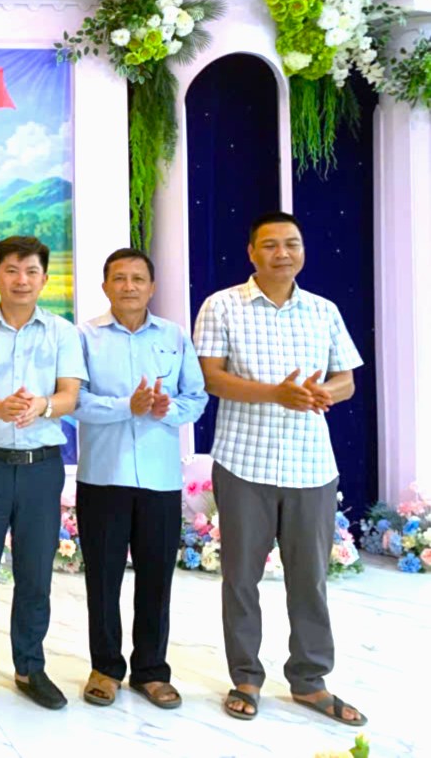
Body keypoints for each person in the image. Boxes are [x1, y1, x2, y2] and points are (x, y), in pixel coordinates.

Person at [194, 211, 366, 726]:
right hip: (244, 462)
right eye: (270, 245)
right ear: (251, 252)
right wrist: (276, 394)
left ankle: (310, 680)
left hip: (311, 466)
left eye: (292, 243)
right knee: (240, 578)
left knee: (310, 579)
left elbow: (346, 380)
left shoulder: (323, 310)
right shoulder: (222, 305)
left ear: (303, 251)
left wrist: (323, 392)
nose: (282, 253)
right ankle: (246, 677)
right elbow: (212, 378)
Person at [0, 235, 86, 712]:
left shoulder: (62, 332)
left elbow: (70, 395)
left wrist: (42, 406)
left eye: (31, 271)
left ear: (45, 279)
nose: (21, 280)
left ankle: (30, 667)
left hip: (40, 469)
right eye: (11, 270)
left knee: (35, 575)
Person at [72, 248, 207, 709]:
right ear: (105, 286)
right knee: (103, 579)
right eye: (119, 278)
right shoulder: (84, 337)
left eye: (137, 278)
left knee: (156, 578)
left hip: (160, 478)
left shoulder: (174, 336)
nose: (128, 286)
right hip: (103, 476)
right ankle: (105, 668)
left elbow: (196, 397)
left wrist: (170, 410)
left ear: (152, 287)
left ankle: (150, 670)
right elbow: (74, 400)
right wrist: (124, 407)